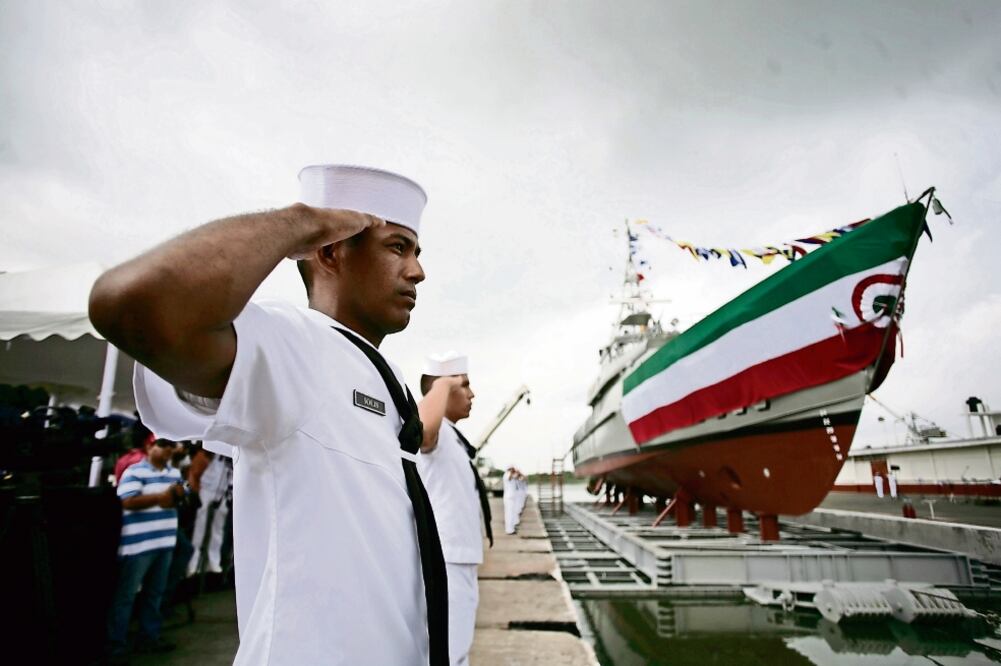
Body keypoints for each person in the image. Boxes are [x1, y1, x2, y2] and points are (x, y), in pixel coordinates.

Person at [89, 165, 448, 665]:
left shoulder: (384, 379)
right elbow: (132, 303)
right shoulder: (294, 344)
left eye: (416, 253)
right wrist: (302, 222)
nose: (417, 271)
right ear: (330, 251)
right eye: (398, 247)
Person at [417, 351, 488, 666]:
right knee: (449, 653)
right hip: (448, 558)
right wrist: (444, 384)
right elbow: (422, 432)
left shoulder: (453, 437)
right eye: (465, 385)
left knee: (457, 651)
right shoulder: (438, 432)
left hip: (460, 558)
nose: (472, 394)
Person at [107, 437, 184, 661]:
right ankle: (116, 645)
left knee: (154, 593)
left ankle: (149, 637)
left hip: (164, 541)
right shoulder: (134, 471)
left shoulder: (174, 473)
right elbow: (127, 501)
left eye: (171, 446)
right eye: (163, 445)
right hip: (138, 545)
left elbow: (184, 490)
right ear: (150, 447)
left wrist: (181, 493)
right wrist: (161, 497)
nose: (168, 449)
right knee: (126, 595)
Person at [186, 444, 233, 577]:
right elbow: (195, 471)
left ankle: (212, 563)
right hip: (207, 490)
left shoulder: (232, 454)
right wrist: (195, 491)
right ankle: (193, 564)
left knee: (217, 530)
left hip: (223, 493)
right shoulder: (212, 449)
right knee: (199, 531)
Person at [503, 465, 520, 535]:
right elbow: (510, 477)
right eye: (512, 469)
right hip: (509, 498)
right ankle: (509, 530)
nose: (513, 470)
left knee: (511, 514)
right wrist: (513, 472)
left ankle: (511, 529)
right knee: (509, 514)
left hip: (512, 498)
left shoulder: (512, 475)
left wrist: (517, 472)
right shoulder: (507, 474)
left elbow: (518, 477)